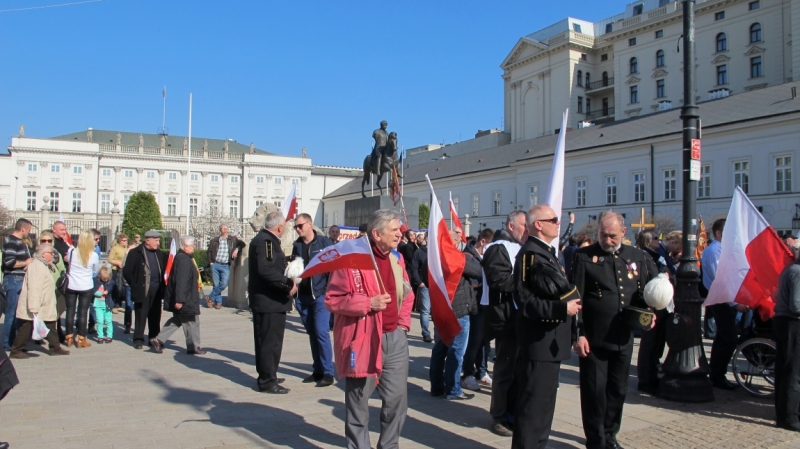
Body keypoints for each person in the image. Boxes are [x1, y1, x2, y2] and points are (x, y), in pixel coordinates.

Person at [326, 209, 415, 449]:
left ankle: (389, 445)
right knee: (358, 402)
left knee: (397, 400)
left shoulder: (397, 258)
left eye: (399, 229)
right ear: (376, 233)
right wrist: (368, 303)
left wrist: (403, 323)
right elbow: (333, 299)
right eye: (394, 230)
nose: (400, 234)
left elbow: (407, 292)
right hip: (363, 339)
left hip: (394, 339)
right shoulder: (351, 260)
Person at [571, 211, 657, 449]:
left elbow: (642, 294)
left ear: (623, 233)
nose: (607, 240)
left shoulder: (636, 256)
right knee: (594, 393)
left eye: (611, 236)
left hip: (623, 335)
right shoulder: (584, 256)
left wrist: (648, 315)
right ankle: (596, 440)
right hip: (594, 338)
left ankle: (610, 434)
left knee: (618, 389)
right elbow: (575, 296)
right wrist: (578, 333)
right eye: (602, 235)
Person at [512, 205, 582, 449]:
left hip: (550, 343)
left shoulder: (546, 252)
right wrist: (561, 309)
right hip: (538, 343)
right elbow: (525, 301)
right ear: (538, 225)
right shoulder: (529, 254)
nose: (558, 223)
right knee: (533, 409)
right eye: (553, 219)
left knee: (543, 409)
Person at [482, 210, 527, 437]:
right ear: (511, 226)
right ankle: (499, 417)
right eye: (523, 225)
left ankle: (512, 414)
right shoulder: (497, 248)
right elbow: (499, 280)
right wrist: (529, 282)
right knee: (505, 371)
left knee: (518, 371)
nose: (526, 230)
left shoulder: (519, 247)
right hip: (505, 319)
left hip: (519, 318)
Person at [430, 231, 483, 400]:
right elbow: (478, 270)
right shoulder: (455, 257)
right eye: (458, 240)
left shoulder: (433, 257)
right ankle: (453, 389)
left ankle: (437, 387)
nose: (460, 243)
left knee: (440, 348)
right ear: (451, 242)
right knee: (456, 351)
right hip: (458, 309)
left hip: (441, 308)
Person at [248, 211, 297, 394]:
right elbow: (266, 270)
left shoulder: (264, 240)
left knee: (269, 341)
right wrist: (288, 284)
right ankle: (267, 380)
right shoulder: (266, 241)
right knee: (270, 342)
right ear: (279, 227)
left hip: (269, 301)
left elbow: (271, 265)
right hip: (269, 301)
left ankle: (269, 373)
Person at [290, 213, 335, 387]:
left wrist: (327, 290)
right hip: (302, 296)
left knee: (321, 332)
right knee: (312, 334)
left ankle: (328, 372)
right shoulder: (297, 245)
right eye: (296, 227)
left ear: (310, 224)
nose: (297, 229)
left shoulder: (324, 243)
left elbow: (333, 268)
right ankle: (317, 370)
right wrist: (293, 284)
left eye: (300, 226)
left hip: (320, 295)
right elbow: (295, 268)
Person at [702, 218, 745, 390]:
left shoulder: (722, 249)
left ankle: (716, 373)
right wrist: (735, 303)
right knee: (729, 338)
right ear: (719, 233)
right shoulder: (714, 251)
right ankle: (717, 375)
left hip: (726, 299)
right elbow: (720, 280)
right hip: (721, 300)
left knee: (722, 338)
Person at [9, 244, 70, 358]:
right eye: (51, 253)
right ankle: (16, 350)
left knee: (51, 324)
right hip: (37, 304)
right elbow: (35, 287)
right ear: (43, 254)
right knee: (26, 327)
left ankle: (55, 347)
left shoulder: (44, 264)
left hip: (44, 303)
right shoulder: (37, 266)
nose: (53, 256)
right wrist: (34, 307)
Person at [153, 235, 205, 355]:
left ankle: (158, 339)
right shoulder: (183, 260)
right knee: (192, 320)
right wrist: (180, 300)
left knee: (178, 320)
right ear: (185, 247)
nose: (194, 247)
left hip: (186, 296)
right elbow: (181, 281)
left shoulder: (183, 258)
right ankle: (194, 347)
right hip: (186, 298)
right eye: (192, 245)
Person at [635, 230, 669, 395]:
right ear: (648, 242)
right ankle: (645, 379)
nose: (659, 240)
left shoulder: (655, 255)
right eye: (656, 238)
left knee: (657, 343)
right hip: (651, 305)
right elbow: (649, 279)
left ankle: (652, 375)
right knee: (649, 344)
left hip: (660, 305)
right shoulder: (644, 256)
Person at [461, 227, 495, 391]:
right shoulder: (468, 256)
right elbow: (475, 278)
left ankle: (481, 371)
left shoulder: (483, 256)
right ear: (483, 242)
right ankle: (467, 374)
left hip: (485, 303)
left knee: (484, 341)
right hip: (474, 304)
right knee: (474, 341)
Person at [123, 230, 166, 350]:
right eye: (156, 240)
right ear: (148, 240)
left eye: (158, 240)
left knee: (155, 315)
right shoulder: (135, 253)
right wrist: (135, 284)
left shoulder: (158, 253)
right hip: (142, 288)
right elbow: (127, 271)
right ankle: (138, 339)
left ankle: (154, 338)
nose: (158, 243)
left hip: (157, 288)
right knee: (141, 314)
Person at [774, 246, 800, 431]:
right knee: (793, 372)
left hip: (785, 322)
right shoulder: (797, 272)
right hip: (793, 323)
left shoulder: (790, 269)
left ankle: (784, 413)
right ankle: (789, 417)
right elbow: (796, 305)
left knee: (785, 370)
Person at [64, 230, 100, 349]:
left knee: (70, 311)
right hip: (86, 285)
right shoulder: (93, 255)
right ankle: (81, 338)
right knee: (83, 312)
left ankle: (69, 336)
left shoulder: (72, 251)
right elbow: (95, 271)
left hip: (72, 284)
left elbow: (68, 264)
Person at [2, 218, 33, 350]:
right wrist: (25, 263)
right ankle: (7, 343)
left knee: (17, 313)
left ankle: (15, 341)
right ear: (23, 229)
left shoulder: (20, 242)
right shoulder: (11, 242)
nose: (29, 233)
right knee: (11, 313)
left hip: (19, 279)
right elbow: (9, 262)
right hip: (13, 279)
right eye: (29, 230)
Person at [207, 224, 245, 309]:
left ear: (227, 229)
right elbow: (209, 251)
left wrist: (236, 249)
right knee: (216, 285)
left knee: (224, 284)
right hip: (215, 264)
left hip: (225, 265)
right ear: (220, 230)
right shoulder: (215, 240)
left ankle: (210, 297)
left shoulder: (233, 239)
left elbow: (242, 244)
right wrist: (210, 262)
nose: (224, 229)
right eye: (222, 228)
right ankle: (218, 303)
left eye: (225, 228)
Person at [38, 231, 66, 343]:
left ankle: (57, 334)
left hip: (55, 288)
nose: (46, 242)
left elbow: (62, 269)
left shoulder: (56, 255)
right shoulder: (37, 255)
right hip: (42, 287)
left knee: (56, 313)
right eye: (43, 240)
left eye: (49, 240)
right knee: (41, 312)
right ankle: (39, 334)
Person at [410, 236, 431, 342]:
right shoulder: (419, 252)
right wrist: (419, 282)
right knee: (425, 310)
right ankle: (426, 333)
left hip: (437, 286)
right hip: (425, 286)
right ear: (426, 239)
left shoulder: (438, 252)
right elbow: (414, 268)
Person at [92, 267, 115, 344]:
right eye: (104, 279)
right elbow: (93, 291)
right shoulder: (96, 282)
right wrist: (101, 293)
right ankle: (100, 336)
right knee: (99, 321)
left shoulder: (110, 282)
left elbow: (112, 287)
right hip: (98, 305)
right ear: (100, 276)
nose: (105, 280)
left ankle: (109, 336)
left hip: (108, 305)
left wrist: (107, 291)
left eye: (107, 279)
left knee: (108, 321)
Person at [107, 233, 128, 313]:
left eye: (126, 240)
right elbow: (110, 259)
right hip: (116, 269)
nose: (125, 242)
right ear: (119, 241)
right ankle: (114, 305)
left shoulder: (126, 248)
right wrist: (117, 263)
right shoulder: (115, 248)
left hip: (124, 270)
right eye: (123, 240)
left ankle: (119, 304)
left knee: (122, 287)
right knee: (116, 286)